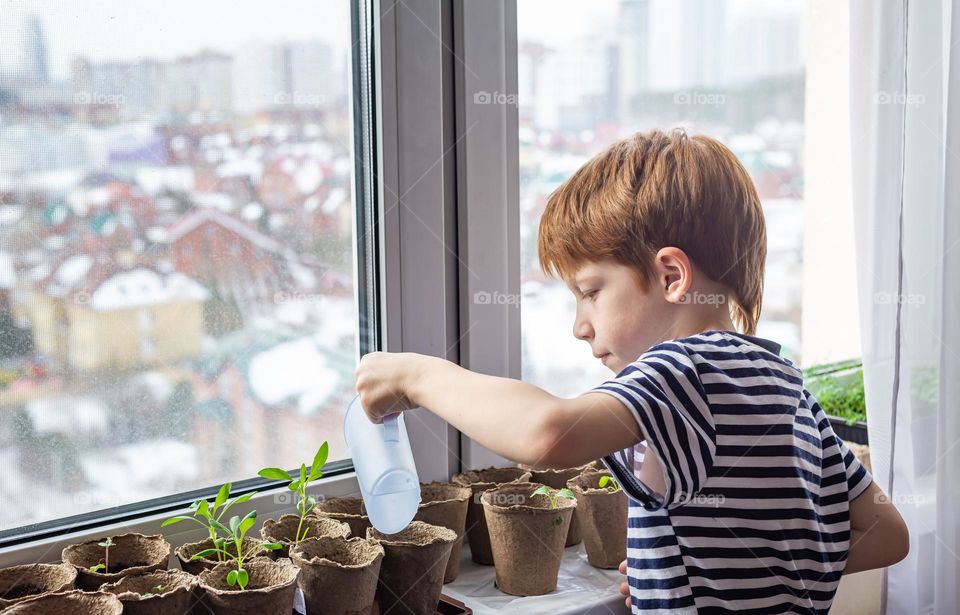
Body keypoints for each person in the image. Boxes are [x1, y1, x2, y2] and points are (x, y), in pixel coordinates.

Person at [354, 129, 909, 613]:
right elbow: (887, 535)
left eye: (591, 293)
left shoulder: (683, 367)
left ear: (671, 275)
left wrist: (418, 377)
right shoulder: (787, 385)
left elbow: (547, 433)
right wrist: (724, 578)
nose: (580, 326)